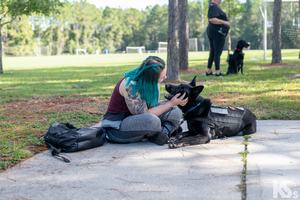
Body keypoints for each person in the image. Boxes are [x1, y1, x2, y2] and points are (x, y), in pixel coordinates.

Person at [100, 56, 188, 145]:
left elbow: (151, 106)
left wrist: (170, 102)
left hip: (139, 122)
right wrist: (169, 103)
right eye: (162, 76)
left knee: (176, 107)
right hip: (118, 129)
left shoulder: (152, 82)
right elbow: (145, 115)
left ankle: (163, 134)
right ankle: (169, 128)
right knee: (152, 120)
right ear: (151, 77)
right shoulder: (130, 86)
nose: (165, 77)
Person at [206, 0, 230, 77]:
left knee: (213, 52)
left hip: (213, 31)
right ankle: (218, 72)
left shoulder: (213, 7)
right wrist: (224, 22)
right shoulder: (214, 7)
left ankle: (208, 71)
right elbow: (212, 19)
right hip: (217, 33)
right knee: (217, 53)